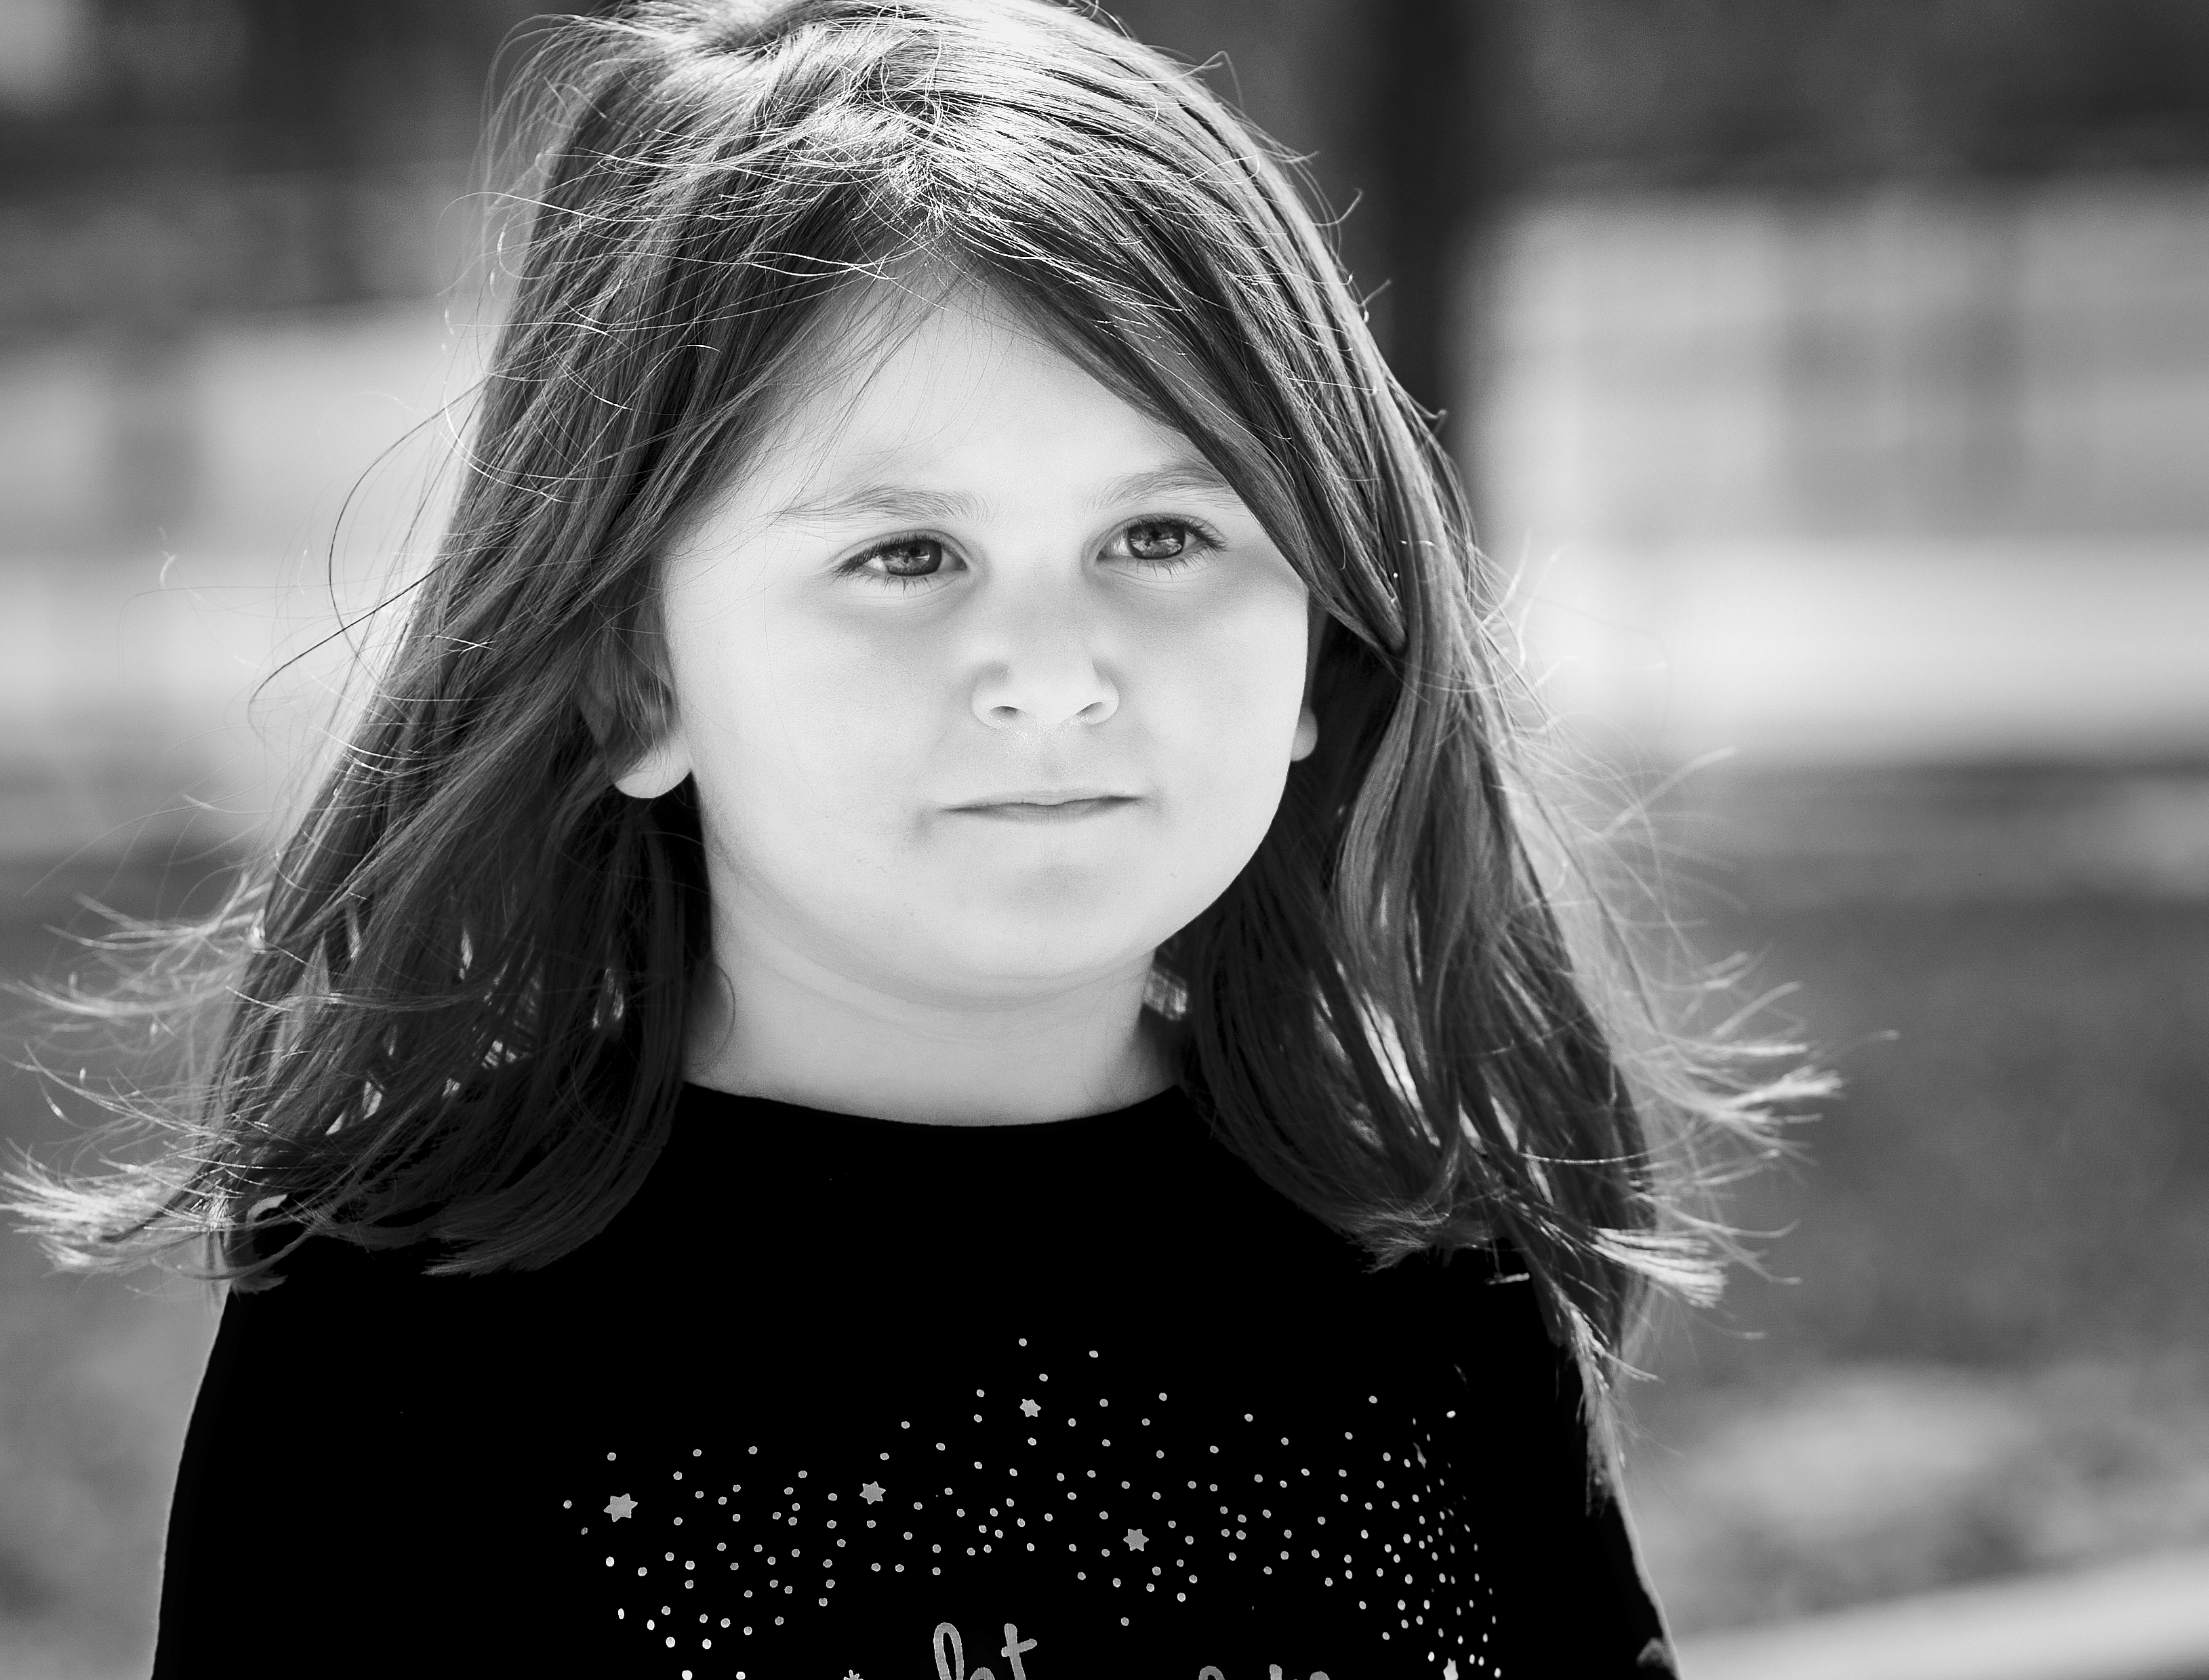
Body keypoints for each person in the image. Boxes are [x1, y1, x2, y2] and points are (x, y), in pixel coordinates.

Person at [8, 2, 1806, 1673]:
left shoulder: (1433, 1282)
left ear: (1325, 638)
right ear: (636, 679)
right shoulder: (400, 1333)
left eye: (1163, 539)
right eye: (906, 556)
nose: (1056, 674)